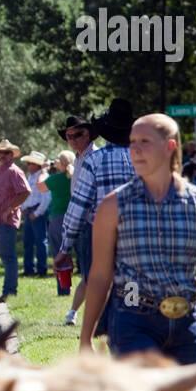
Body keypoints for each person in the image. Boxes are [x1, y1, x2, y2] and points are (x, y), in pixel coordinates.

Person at [82, 113, 196, 364]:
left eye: (144, 141)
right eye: (132, 142)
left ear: (169, 147)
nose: (135, 149)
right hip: (132, 319)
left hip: (186, 323)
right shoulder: (113, 205)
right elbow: (99, 275)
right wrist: (86, 337)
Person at [55, 100, 136, 329]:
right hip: (136, 232)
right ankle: (128, 321)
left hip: (100, 232)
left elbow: (78, 206)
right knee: (131, 279)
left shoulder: (95, 160)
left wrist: (65, 247)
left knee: (99, 280)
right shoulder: (144, 160)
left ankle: (102, 324)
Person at [56, 114, 97, 324]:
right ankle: (73, 314)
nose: (72, 139)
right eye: (68, 136)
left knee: (95, 277)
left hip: (93, 225)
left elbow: (84, 202)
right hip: (82, 225)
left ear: (89, 134)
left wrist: (65, 245)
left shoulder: (94, 157)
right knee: (89, 276)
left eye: (78, 134)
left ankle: (95, 321)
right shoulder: (81, 157)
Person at [0, 139, 31, 297]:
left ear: (12, 155)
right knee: (5, 256)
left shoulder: (14, 171)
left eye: (6, 153)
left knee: (9, 257)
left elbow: (25, 191)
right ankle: (8, 291)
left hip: (6, 220)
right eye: (0, 152)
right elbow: (0, 192)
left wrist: (10, 209)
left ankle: (9, 292)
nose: (2, 155)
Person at [45, 150, 75, 295]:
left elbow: (40, 187)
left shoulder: (55, 179)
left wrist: (45, 169)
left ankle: (64, 288)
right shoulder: (75, 177)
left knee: (59, 253)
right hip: (75, 217)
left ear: (62, 163)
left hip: (57, 218)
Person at [19, 151, 50, 277]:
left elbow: (46, 199)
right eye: (28, 163)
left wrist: (37, 213)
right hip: (30, 211)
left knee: (40, 241)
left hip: (37, 212)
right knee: (28, 241)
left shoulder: (43, 177)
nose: (28, 165)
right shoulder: (31, 177)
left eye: (31, 163)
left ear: (37, 165)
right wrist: (23, 208)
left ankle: (42, 269)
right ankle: (29, 268)